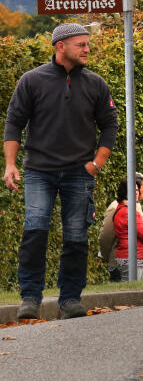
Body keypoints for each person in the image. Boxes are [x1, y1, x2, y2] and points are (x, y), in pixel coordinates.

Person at [3, 23, 119, 320]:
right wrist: (11, 165)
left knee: (77, 237)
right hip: (39, 171)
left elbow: (109, 125)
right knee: (35, 232)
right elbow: (14, 123)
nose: (87, 49)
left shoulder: (96, 83)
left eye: (87, 44)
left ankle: (70, 300)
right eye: (81, 44)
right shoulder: (32, 80)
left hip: (79, 173)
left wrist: (97, 164)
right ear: (60, 46)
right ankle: (30, 297)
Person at [99, 171, 143, 282]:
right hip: (120, 261)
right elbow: (106, 236)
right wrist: (109, 257)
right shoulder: (117, 207)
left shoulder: (136, 206)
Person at [113, 175, 143, 280]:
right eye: (132, 190)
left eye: (137, 189)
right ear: (125, 192)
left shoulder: (127, 209)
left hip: (136, 257)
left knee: (137, 291)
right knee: (131, 293)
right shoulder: (128, 212)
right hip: (132, 258)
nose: (136, 192)